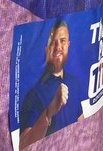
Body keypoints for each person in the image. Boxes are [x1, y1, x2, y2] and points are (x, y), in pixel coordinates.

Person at [20, 20, 84, 149]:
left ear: (69, 44)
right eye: (53, 42)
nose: (58, 46)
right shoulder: (34, 94)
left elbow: (81, 123)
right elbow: (23, 146)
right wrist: (49, 112)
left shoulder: (75, 83)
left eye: (63, 40)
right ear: (47, 49)